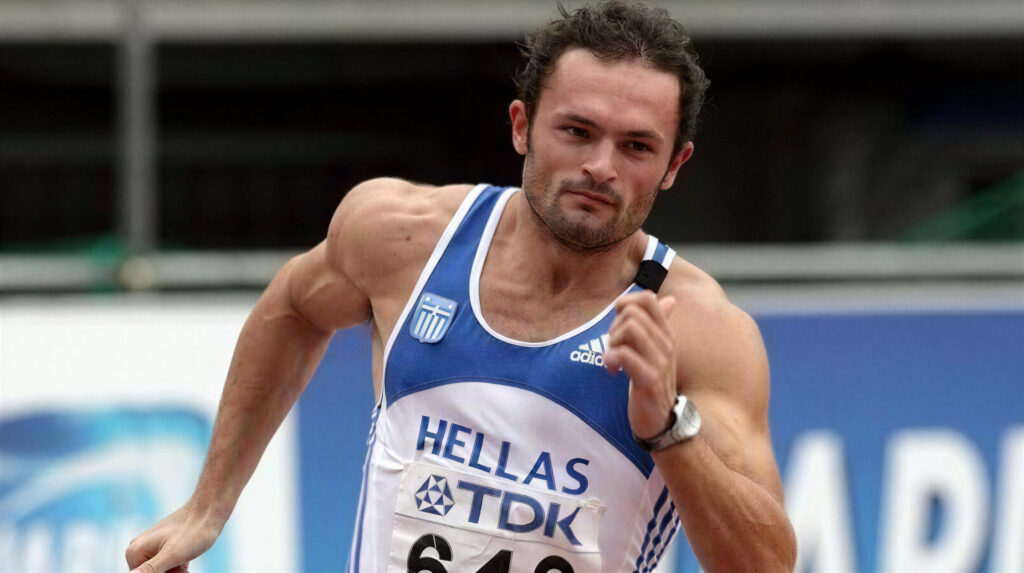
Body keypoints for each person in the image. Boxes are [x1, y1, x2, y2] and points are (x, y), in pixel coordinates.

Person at [125, 2, 796, 572]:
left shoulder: (700, 330)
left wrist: (669, 429)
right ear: (522, 125)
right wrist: (208, 505)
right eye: (577, 131)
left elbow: (768, 564)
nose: (600, 166)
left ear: (675, 164)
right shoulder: (405, 237)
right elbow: (295, 308)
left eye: (636, 147)